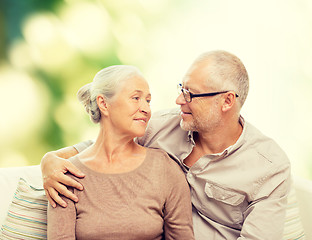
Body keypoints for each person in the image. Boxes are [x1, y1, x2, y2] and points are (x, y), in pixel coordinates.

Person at [42, 51, 291, 240]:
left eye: (191, 94)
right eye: (182, 88)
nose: (179, 100)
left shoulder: (269, 168)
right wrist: (50, 160)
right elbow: (109, 146)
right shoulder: (161, 126)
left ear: (226, 101)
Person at [46, 65, 195, 240]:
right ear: (103, 104)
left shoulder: (165, 168)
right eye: (136, 98)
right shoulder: (66, 175)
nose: (146, 109)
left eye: (148, 100)